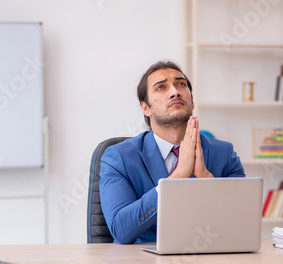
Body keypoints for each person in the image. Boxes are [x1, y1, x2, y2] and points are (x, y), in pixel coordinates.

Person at [99, 61, 245, 244]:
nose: (175, 91)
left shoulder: (224, 154)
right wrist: (177, 177)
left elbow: (242, 223)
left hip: (207, 260)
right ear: (146, 108)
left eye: (181, 84)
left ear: (192, 102)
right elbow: (121, 230)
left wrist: (206, 178)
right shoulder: (118, 158)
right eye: (161, 87)